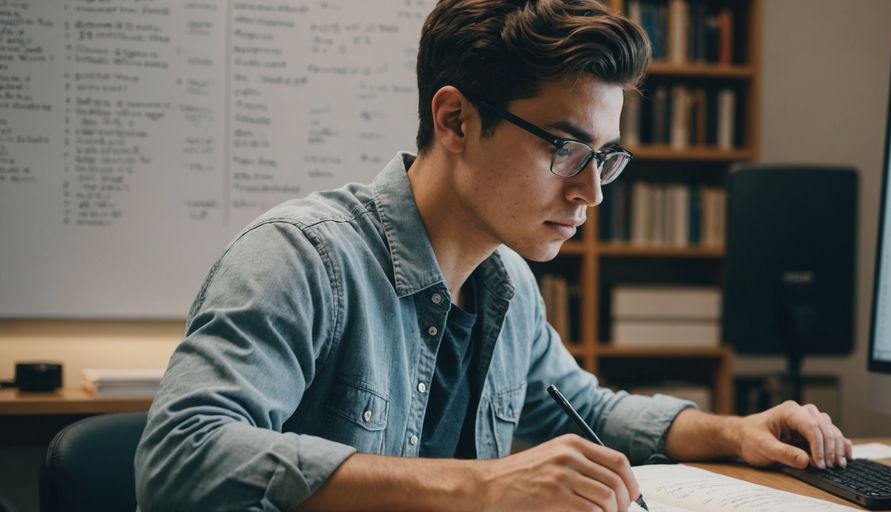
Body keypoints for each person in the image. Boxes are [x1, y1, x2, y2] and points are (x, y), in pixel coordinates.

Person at [134, 1, 853, 510]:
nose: (590, 193)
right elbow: (181, 457)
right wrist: (480, 489)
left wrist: (732, 432)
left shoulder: (507, 282)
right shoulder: (302, 258)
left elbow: (586, 412)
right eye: (566, 148)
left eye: (605, 158)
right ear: (455, 120)